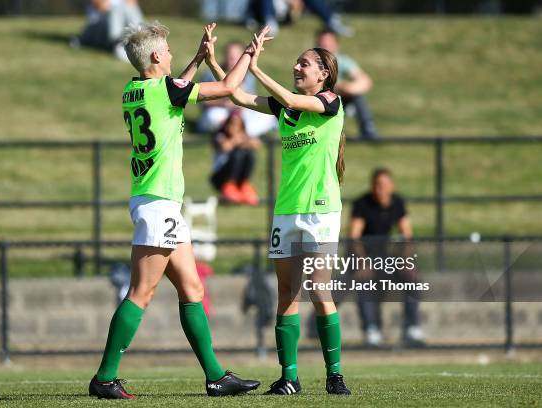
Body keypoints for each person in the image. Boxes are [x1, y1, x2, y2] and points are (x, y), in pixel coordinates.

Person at [88, 22, 262, 399]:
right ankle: (104, 377)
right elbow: (229, 88)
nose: (170, 55)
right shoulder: (166, 89)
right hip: (157, 202)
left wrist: (198, 59)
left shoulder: (134, 90)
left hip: (158, 202)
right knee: (141, 293)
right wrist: (250, 53)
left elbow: (173, 93)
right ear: (155, 56)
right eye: (166, 51)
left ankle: (216, 376)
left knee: (192, 288)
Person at [206, 27, 351, 396]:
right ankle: (289, 377)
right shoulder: (285, 109)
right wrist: (213, 62)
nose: (296, 66)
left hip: (320, 210)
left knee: (319, 291)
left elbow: (287, 96)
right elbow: (236, 97)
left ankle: (334, 374)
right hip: (286, 211)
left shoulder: (330, 101)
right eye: (297, 62)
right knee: (287, 292)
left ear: (323, 74)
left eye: (305, 63)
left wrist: (255, 66)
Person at [349, 168, 424, 347]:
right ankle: (371, 330)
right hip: (363, 259)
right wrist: (363, 262)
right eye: (376, 185)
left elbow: (407, 235)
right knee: (362, 281)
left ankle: (411, 328)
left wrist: (405, 261)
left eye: (383, 185)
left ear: (392, 186)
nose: (379, 189)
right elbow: (354, 236)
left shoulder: (397, 203)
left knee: (413, 278)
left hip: (386, 258)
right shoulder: (362, 203)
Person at [197, 41, 276, 138]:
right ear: (225, 56)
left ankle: (236, 132)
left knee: (267, 116)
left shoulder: (248, 76)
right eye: (230, 55)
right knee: (212, 116)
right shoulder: (210, 74)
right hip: (220, 111)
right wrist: (224, 103)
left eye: (236, 56)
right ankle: (235, 132)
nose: (232, 58)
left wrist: (241, 104)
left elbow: (251, 100)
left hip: (241, 113)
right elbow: (202, 102)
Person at [316, 29, 378, 139]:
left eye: (328, 44)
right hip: (319, 100)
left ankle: (368, 131)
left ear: (336, 45)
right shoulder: (312, 63)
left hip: (340, 98)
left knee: (358, 96)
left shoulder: (342, 61)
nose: (325, 47)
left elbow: (365, 81)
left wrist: (346, 88)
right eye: (322, 44)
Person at [210, 109, 261, 205]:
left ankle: (244, 185)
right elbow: (226, 147)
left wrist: (245, 141)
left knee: (249, 154)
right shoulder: (220, 135)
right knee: (238, 154)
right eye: (232, 124)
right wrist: (236, 140)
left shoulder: (244, 135)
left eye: (238, 125)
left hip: (238, 175)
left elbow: (256, 144)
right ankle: (229, 187)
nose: (234, 127)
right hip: (220, 176)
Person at [73, 0, 144, 60]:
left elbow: (132, 2)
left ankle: (143, 39)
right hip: (98, 26)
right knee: (115, 10)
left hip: (120, 24)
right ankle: (117, 45)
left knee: (131, 8)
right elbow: (101, 6)